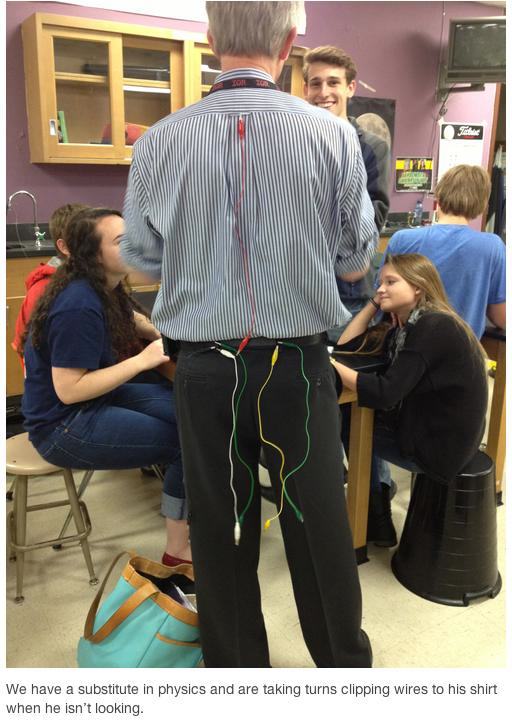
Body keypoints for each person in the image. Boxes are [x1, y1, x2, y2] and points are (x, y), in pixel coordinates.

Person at [121, 1, 376, 668]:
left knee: (220, 525)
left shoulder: (159, 140)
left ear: (209, 39)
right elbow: (355, 260)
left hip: (203, 368)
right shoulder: (333, 136)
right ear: (291, 42)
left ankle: (238, 678)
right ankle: (345, 673)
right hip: (296, 364)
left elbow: (142, 261)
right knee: (317, 522)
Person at [20, 207, 191, 566]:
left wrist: (161, 332)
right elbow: (69, 390)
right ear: (91, 254)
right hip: (62, 425)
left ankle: (198, 513)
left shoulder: (101, 286)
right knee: (188, 442)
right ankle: (177, 549)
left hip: (92, 401)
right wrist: (142, 361)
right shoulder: (77, 305)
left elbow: (131, 317)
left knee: (193, 417)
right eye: (121, 241)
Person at [332, 253, 488, 537]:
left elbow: (385, 393)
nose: (380, 288)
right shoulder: (408, 328)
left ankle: (369, 517)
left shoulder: (431, 328)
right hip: (442, 433)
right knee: (358, 415)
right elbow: (345, 345)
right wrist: (373, 304)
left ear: (419, 286)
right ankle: (375, 515)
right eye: (379, 283)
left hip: (441, 449)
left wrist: (329, 364)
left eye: (391, 282)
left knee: (350, 420)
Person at [303, 44, 394, 525]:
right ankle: (325, 499)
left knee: (353, 402)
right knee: (309, 397)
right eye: (316, 82)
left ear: (350, 88)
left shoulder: (368, 145)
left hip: (349, 294)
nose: (324, 92)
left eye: (333, 82)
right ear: (303, 87)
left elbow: (373, 219)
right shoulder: (289, 140)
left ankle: (372, 504)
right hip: (298, 292)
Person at [384, 164, 506, 339]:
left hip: (407, 345)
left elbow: (382, 296)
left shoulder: (402, 239)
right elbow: (499, 316)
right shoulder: (493, 247)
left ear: (439, 195)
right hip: (460, 351)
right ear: (482, 204)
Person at [12, 203, 89, 358]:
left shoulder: (88, 281)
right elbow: (28, 350)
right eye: (87, 239)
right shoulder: (44, 290)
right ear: (64, 246)